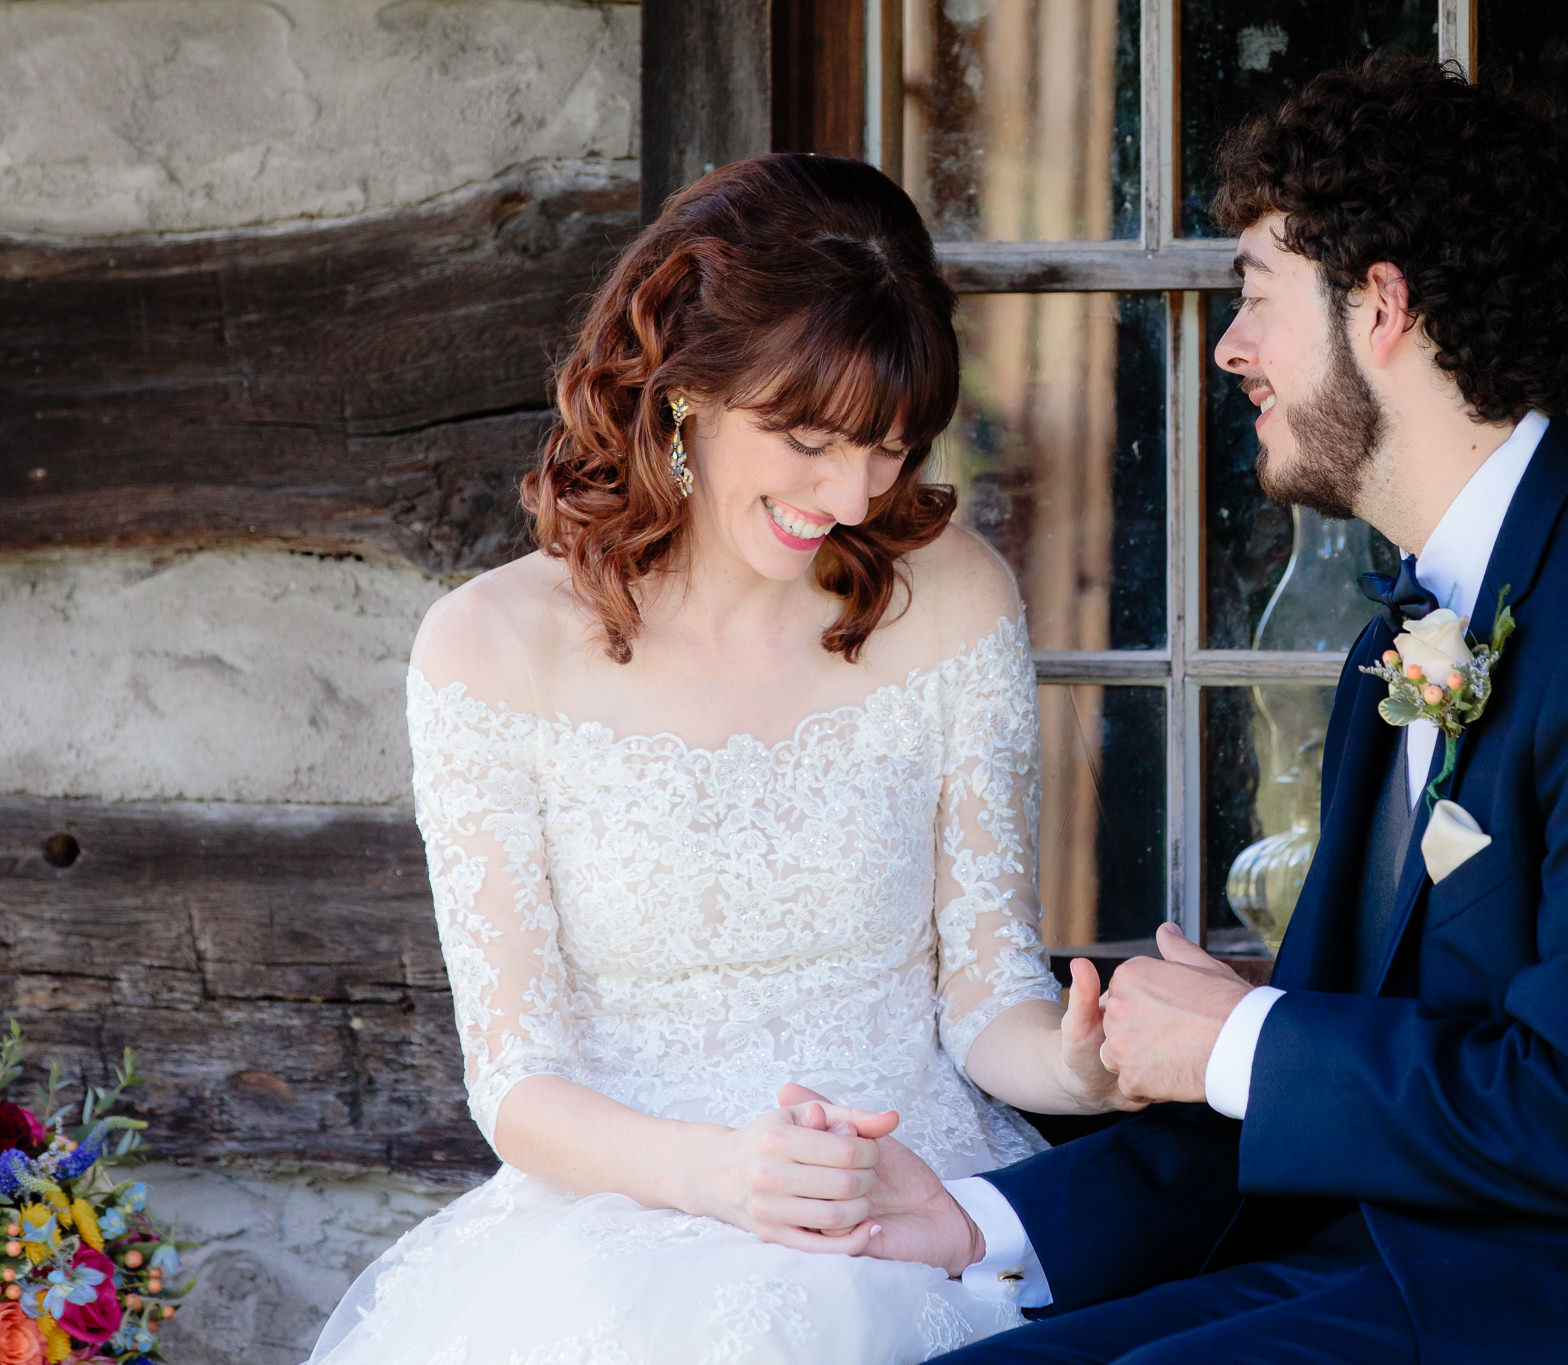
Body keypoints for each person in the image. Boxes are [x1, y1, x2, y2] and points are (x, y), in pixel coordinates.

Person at [786, 54, 1568, 1364]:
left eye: (1257, 300)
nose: (1231, 349)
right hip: (1386, 1266)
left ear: (1382, 309)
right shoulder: (1407, 633)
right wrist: (980, 1222)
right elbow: (1328, 1043)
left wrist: (1245, 1034)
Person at [305, 153, 1137, 1365]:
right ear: (683, 389)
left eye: (890, 448)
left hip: (909, 1196)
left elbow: (985, 1000)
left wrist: (1080, 1071)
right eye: (807, 439)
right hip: (630, 1228)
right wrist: (721, 1175)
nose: (849, 495)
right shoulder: (486, 650)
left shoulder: (955, 598)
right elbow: (518, 1086)